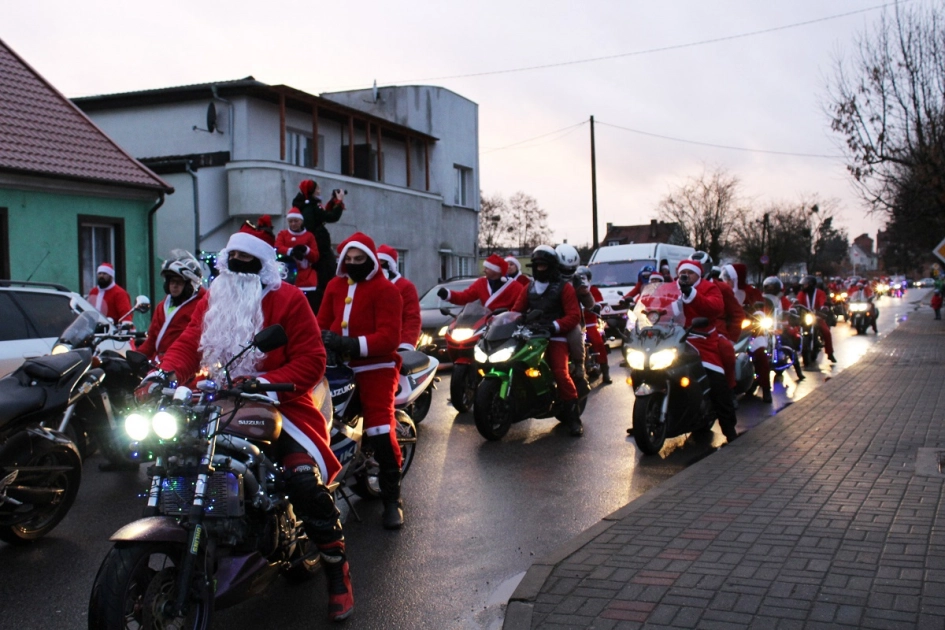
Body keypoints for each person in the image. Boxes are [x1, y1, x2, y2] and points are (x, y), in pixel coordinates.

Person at [146, 231, 353, 621]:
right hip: (211, 401)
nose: (239, 264)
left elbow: (312, 359)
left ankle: (336, 571)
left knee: (302, 480)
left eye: (248, 258)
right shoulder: (212, 296)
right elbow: (190, 343)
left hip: (280, 403)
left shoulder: (289, 299)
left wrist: (265, 381)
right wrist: (164, 374)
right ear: (223, 262)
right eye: (233, 257)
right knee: (174, 461)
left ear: (263, 265)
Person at [317, 232, 406, 530]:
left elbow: (389, 338)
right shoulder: (334, 285)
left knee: (380, 428)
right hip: (337, 368)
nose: (354, 264)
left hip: (376, 367)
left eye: (360, 260)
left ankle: (392, 501)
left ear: (370, 260)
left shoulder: (386, 290)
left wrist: (350, 344)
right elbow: (320, 323)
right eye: (349, 260)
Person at [510, 245, 583, 436]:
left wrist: (556, 325)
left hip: (556, 335)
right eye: (537, 266)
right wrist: (508, 320)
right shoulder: (529, 288)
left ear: (552, 266)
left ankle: (574, 418)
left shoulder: (565, 288)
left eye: (544, 266)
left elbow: (574, 316)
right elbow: (517, 310)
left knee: (560, 372)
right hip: (531, 335)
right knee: (514, 363)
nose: (540, 269)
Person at [674, 259, 739, 443]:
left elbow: (714, 308)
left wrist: (691, 293)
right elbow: (663, 307)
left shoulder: (709, 288)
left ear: (698, 274)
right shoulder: (674, 288)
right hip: (677, 341)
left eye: (690, 272)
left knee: (717, 382)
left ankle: (729, 429)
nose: (685, 276)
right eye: (682, 272)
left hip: (703, 341)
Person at [135, 250, 206, 362]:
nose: (174, 286)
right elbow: (152, 340)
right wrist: (136, 357)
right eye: (172, 281)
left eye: (179, 282)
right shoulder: (161, 307)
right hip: (158, 363)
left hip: (184, 364)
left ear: (190, 286)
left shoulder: (199, 306)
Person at [294, 180, 347, 313]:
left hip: (316, 251)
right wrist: (339, 202)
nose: (319, 191)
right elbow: (331, 217)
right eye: (317, 189)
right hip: (321, 252)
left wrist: (332, 202)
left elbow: (321, 216)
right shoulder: (311, 207)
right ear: (311, 191)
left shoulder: (306, 206)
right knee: (327, 278)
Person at [437, 254, 523, 311]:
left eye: (487, 268)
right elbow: (465, 297)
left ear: (496, 271)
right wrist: (448, 295)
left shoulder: (515, 287)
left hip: (506, 326)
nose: (483, 270)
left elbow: (521, 306)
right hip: (485, 325)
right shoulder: (481, 283)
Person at [377, 245, 422, 351]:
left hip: (396, 345)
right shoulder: (368, 285)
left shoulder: (405, 287)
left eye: (382, 262)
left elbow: (412, 318)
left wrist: (406, 344)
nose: (378, 266)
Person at [275, 208, 320, 312]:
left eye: (296, 221)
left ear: (301, 221)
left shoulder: (309, 236)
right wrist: (291, 251)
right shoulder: (283, 234)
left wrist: (306, 250)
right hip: (287, 274)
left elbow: (315, 256)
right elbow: (277, 247)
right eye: (291, 221)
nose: (293, 224)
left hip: (305, 277)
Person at [575, 265, 611, 385]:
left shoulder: (593, 290)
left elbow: (598, 302)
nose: (581, 279)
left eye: (583, 277)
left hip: (590, 322)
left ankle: (605, 371)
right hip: (575, 322)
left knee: (598, 342)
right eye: (578, 276)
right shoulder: (571, 289)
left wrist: (597, 306)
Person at [794, 275, 837, 362]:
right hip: (805, 317)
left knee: (826, 332)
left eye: (805, 285)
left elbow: (822, 302)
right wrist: (793, 307)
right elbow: (798, 302)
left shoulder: (820, 293)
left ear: (811, 284)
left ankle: (830, 353)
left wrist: (823, 308)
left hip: (817, 316)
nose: (803, 286)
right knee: (794, 330)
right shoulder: (801, 293)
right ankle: (793, 351)